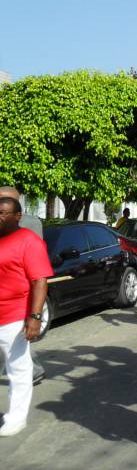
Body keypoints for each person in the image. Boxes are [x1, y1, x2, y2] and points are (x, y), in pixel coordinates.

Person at [0, 196, 52, 437]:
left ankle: (16, 417)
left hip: (14, 316)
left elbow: (40, 280)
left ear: (17, 216)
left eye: (3, 213)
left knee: (18, 368)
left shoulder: (28, 241)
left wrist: (35, 317)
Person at [0, 187, 46, 385]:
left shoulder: (29, 224)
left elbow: (34, 262)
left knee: (16, 341)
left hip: (22, 291)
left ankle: (32, 371)